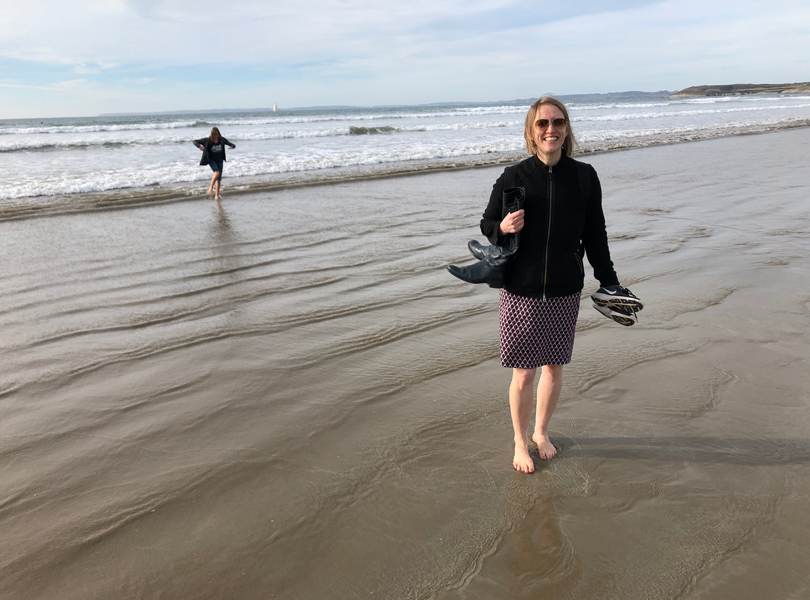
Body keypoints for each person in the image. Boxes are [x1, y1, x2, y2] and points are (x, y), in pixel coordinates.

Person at [480, 96, 629, 473]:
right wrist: (502, 228)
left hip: (564, 288)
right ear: (532, 132)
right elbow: (487, 224)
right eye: (543, 123)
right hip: (521, 289)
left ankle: (541, 432)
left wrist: (609, 281)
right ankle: (520, 440)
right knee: (523, 372)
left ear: (567, 129)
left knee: (554, 367)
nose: (551, 129)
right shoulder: (514, 176)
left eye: (558, 122)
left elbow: (596, 235)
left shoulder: (584, 176)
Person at [193, 127, 235, 200]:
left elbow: (232, 144)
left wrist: (232, 147)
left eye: (217, 134)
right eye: (214, 135)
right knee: (216, 173)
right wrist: (199, 146)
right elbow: (194, 141)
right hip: (211, 160)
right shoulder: (207, 140)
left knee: (218, 179)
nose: (216, 136)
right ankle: (210, 188)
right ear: (212, 134)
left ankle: (217, 195)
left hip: (220, 160)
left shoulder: (222, 140)